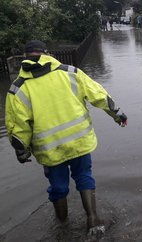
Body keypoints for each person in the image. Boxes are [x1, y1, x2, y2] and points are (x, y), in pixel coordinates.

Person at [5, 40, 127, 235]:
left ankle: (62, 226)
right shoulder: (70, 72)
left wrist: (21, 149)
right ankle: (93, 219)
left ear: (25, 57)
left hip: (51, 149)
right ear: (46, 53)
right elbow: (98, 95)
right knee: (84, 177)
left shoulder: (18, 88)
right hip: (79, 142)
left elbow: (17, 125)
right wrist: (117, 115)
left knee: (58, 187)